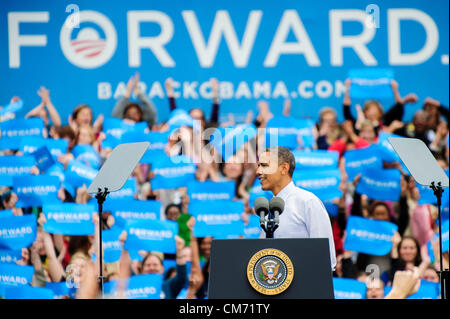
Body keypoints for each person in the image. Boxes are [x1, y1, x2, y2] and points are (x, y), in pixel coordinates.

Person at [256, 145, 336, 269]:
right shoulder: (268, 209)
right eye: (258, 166)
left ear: (284, 168)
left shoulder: (307, 202)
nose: (258, 171)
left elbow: (326, 256)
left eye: (264, 165)